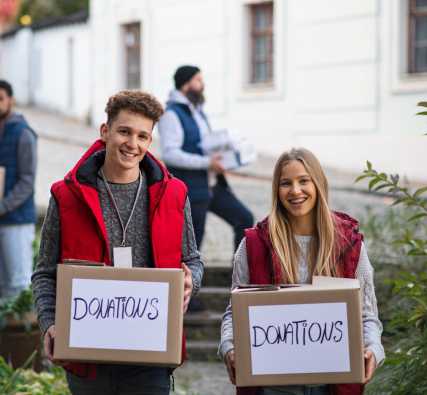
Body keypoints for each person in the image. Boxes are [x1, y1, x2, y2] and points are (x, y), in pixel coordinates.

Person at [32, 90, 203, 394]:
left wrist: (191, 280)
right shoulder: (67, 195)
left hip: (150, 359)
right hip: (88, 361)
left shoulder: (174, 194)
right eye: (124, 131)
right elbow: (45, 273)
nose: (132, 144)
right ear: (105, 131)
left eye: (142, 136)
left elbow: (193, 261)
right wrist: (49, 322)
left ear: (151, 141)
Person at [219, 147, 384, 395]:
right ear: (277, 189)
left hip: (332, 383)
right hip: (273, 385)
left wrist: (372, 347)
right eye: (286, 183)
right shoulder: (254, 245)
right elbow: (236, 311)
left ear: (318, 183)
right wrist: (229, 347)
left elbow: (366, 315)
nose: (295, 191)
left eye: (303, 180)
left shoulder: (349, 245)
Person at [158, 65, 253, 314]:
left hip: (212, 185)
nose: (203, 85)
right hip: (191, 188)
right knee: (191, 244)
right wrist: (206, 162)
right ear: (185, 85)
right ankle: (187, 299)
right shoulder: (171, 114)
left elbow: (203, 146)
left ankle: (241, 283)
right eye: (199, 80)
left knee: (244, 219)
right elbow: (170, 154)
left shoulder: (197, 111)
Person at [0, 80, 37, 298]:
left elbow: (27, 182)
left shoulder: (24, 134)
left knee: (19, 285)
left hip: (16, 221)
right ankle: (10, 332)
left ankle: (27, 332)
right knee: (4, 285)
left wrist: (0, 208)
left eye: (0, 99)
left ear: (11, 100)